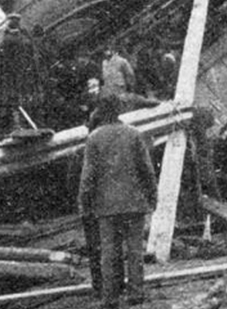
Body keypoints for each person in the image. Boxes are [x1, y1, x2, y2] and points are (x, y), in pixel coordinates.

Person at [79, 92, 158, 309]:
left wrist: (84, 203)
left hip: (106, 205)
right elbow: (147, 169)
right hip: (134, 202)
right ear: (119, 110)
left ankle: (110, 298)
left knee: (109, 253)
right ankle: (136, 293)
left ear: (100, 111)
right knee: (135, 250)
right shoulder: (133, 134)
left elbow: (88, 176)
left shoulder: (94, 138)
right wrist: (153, 195)